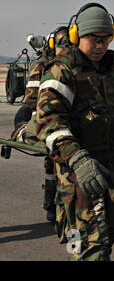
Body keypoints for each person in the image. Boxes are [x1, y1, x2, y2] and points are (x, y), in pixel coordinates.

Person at [35, 2, 114, 260]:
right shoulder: (61, 70)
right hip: (79, 170)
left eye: (106, 39)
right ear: (76, 36)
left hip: (113, 166)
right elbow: (49, 121)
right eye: (93, 39)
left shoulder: (113, 72)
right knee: (89, 249)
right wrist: (78, 159)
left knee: (105, 239)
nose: (100, 45)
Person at [11, 26, 68, 222]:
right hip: (65, 124)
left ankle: (52, 206)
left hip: (49, 124)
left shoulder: (45, 63)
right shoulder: (81, 62)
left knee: (51, 159)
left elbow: (30, 100)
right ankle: (53, 206)